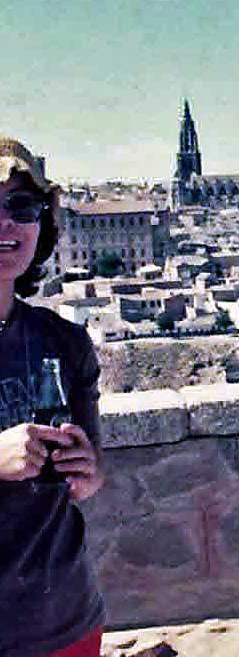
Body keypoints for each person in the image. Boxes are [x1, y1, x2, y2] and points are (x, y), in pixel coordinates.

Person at [0, 138, 105, 657]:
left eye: (22, 206)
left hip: (65, 619)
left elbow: (89, 477)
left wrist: (88, 472)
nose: (5, 223)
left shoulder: (65, 342)